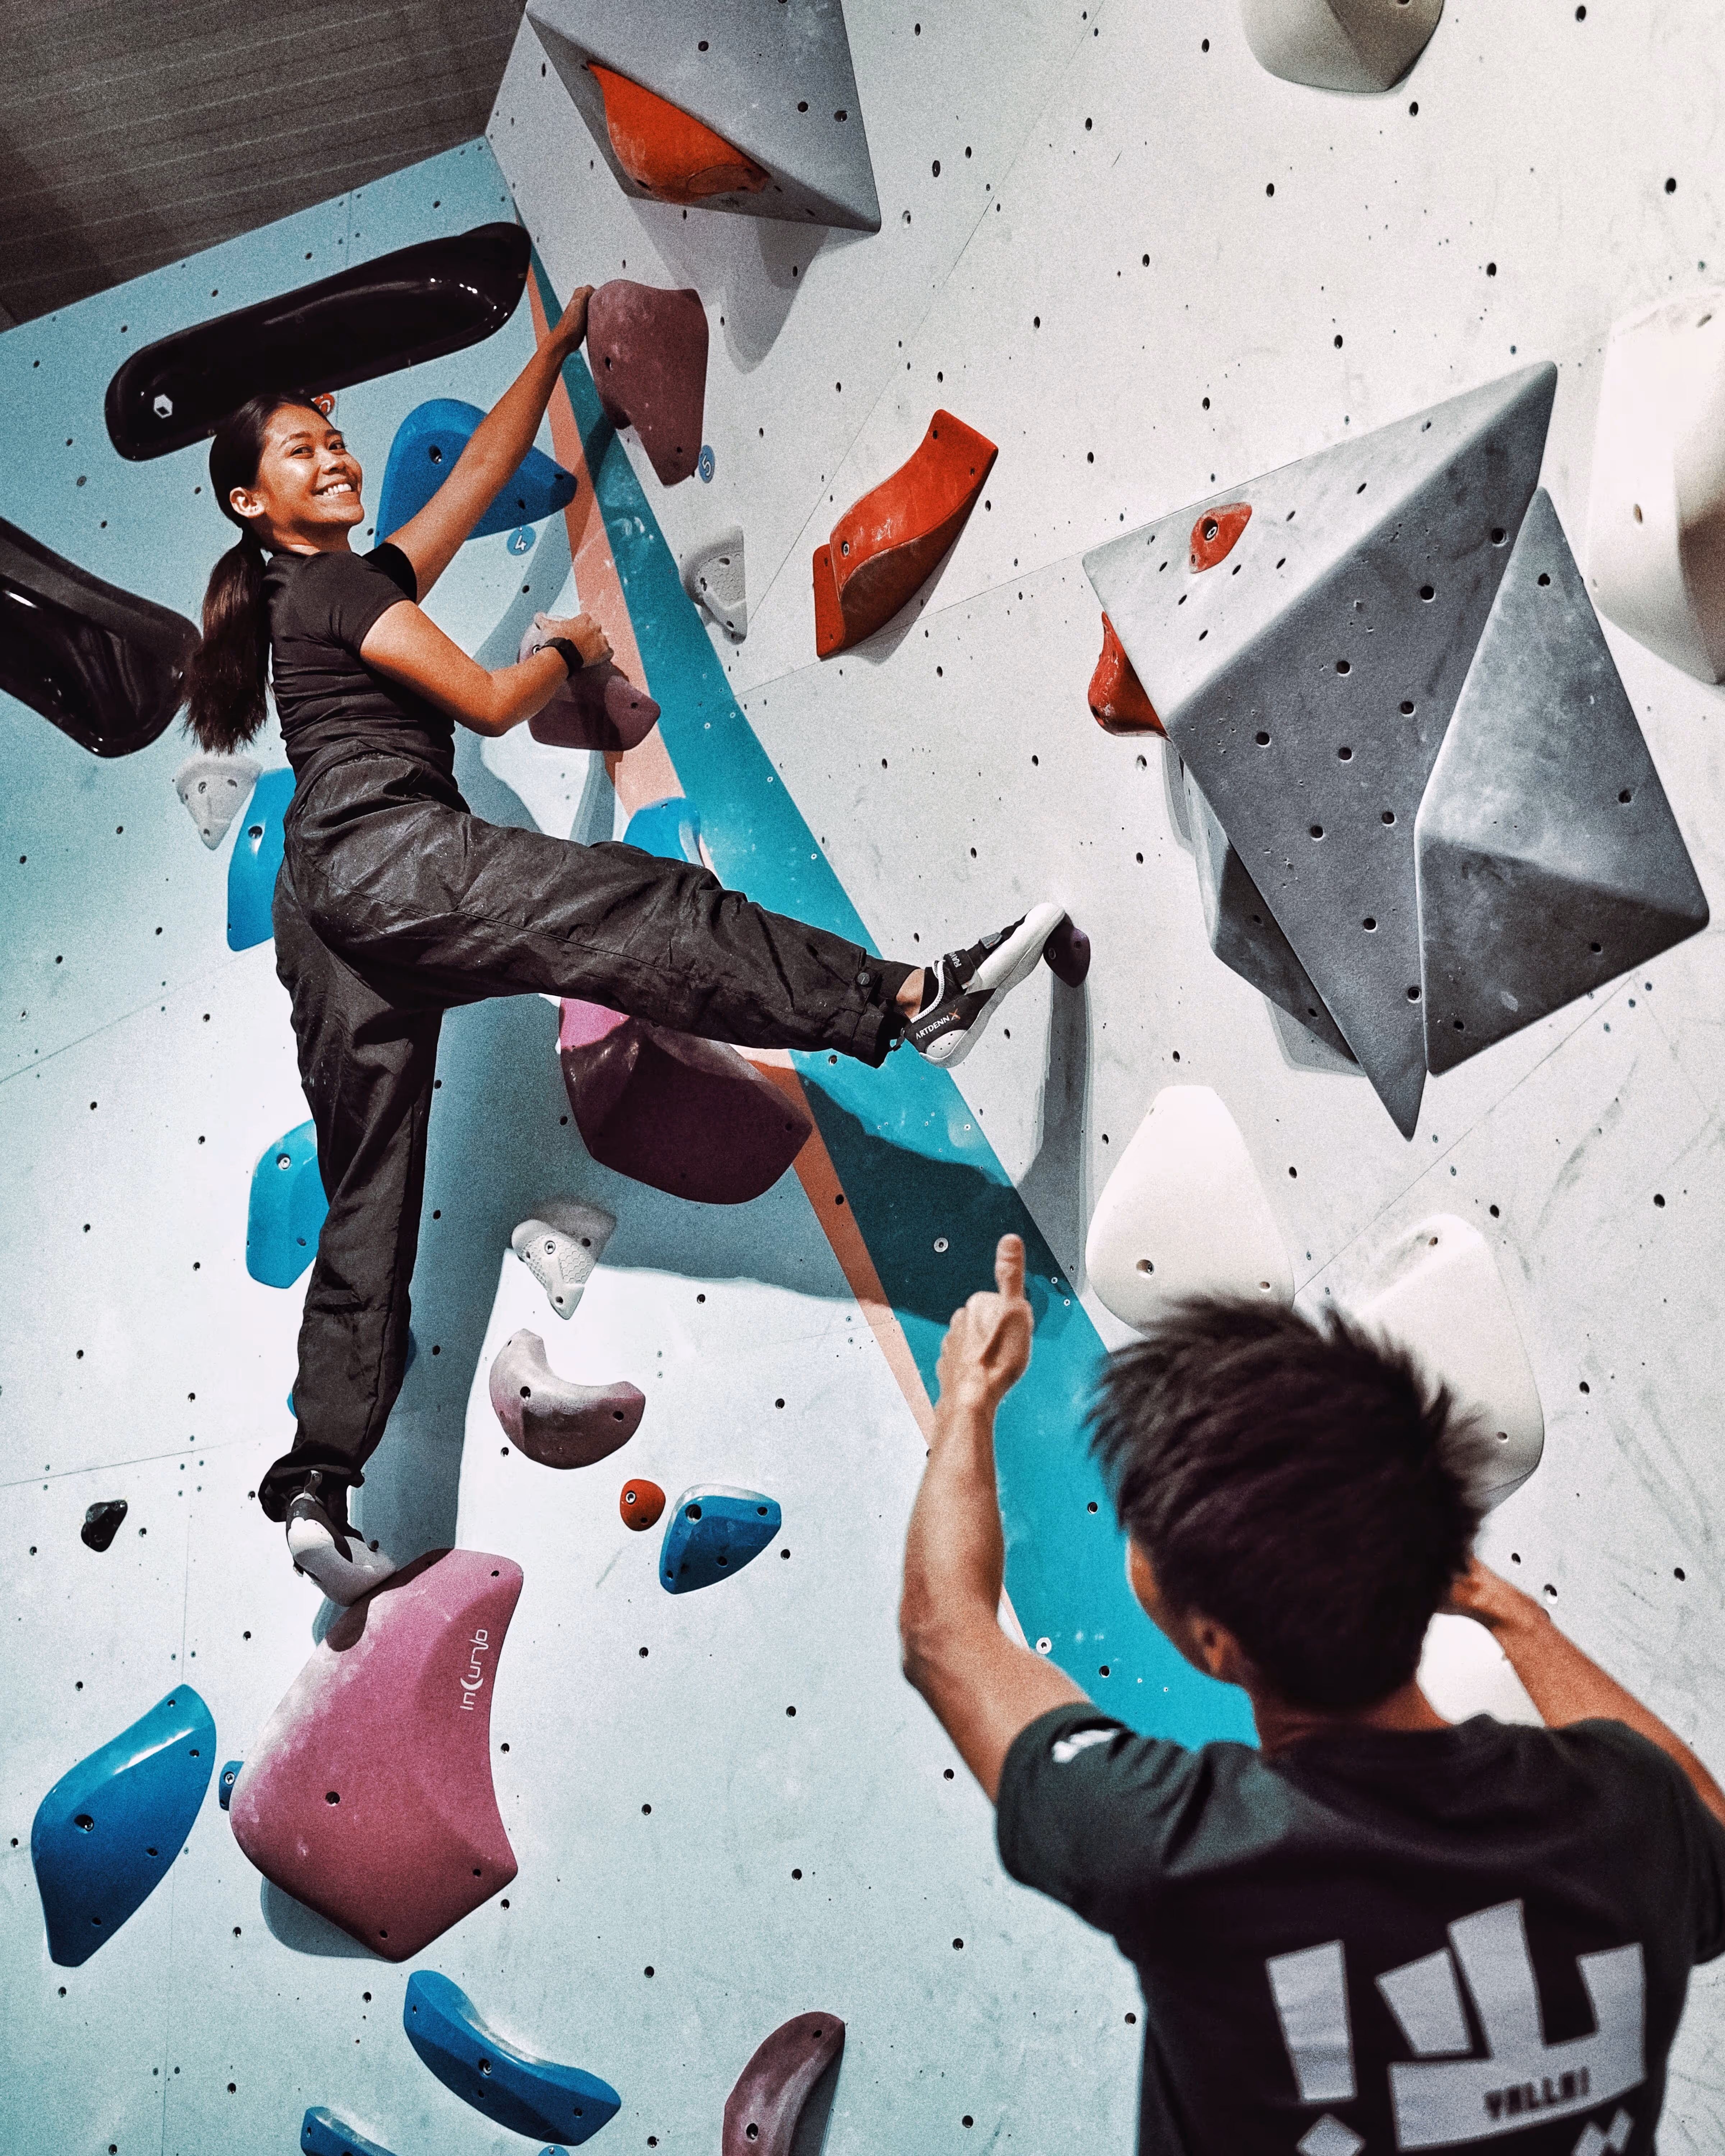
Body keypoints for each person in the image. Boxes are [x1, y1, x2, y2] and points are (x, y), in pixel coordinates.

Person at [180, 282, 1067, 1605]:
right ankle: (903, 1004)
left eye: (336, 435)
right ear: (254, 504)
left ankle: (317, 1481)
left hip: (330, 912)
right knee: (642, 915)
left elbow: (472, 486)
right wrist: (569, 651)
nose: (339, 454)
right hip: (385, 851)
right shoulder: (329, 592)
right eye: (304, 449)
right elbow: (484, 696)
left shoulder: (338, 586)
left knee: (371, 1194)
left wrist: (549, 362)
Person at [901, 1235, 1725, 2156]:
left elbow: (946, 1636)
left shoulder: (1176, 1847)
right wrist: (1512, 1614)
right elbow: (1709, 1839)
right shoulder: (1632, 1812)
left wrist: (969, 1397)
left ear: (1216, 1640)